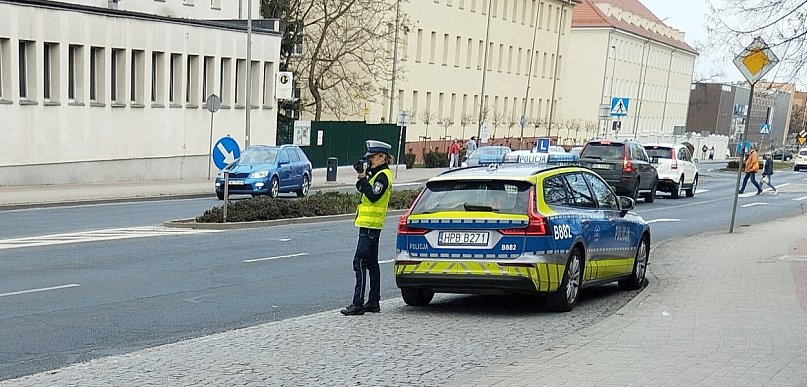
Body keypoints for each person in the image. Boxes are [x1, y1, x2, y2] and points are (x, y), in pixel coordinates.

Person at [341, 140, 393, 316]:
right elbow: (361, 188)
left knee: (360, 262)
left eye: (373, 157)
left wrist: (364, 179)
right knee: (371, 263)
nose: (370, 160)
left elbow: (372, 196)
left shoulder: (383, 176)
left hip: (371, 226)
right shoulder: (376, 173)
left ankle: (358, 303)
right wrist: (363, 175)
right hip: (369, 225)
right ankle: (373, 301)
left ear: (382, 157)